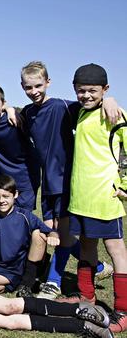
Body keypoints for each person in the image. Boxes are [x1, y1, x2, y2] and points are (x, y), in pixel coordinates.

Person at [18, 61, 114, 299]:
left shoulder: (63, 107)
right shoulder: (27, 113)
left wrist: (109, 100)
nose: (34, 91)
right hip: (48, 185)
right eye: (28, 88)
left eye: (38, 85)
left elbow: (92, 104)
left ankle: (53, 281)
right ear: (22, 87)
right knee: (51, 231)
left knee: (62, 234)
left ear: (47, 83)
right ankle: (99, 268)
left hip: (67, 180)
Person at [61, 63, 127, 333]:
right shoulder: (78, 113)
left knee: (116, 251)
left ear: (105, 89)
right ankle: (86, 297)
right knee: (87, 248)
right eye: (80, 91)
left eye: (92, 91)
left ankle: (123, 310)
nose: (86, 95)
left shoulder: (114, 113)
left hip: (105, 197)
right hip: (81, 198)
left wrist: (126, 185)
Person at [0, 175, 58, 295]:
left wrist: (54, 236)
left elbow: (48, 230)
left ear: (15, 194)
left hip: (24, 264)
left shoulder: (24, 215)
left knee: (39, 233)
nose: (2, 201)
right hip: (3, 268)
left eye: (6, 196)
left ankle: (28, 283)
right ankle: (12, 285)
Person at [0, 84, 39, 210]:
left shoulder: (15, 119)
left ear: (3, 103)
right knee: (1, 222)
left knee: (22, 221)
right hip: (1, 181)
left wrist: (10, 109)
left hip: (25, 181)